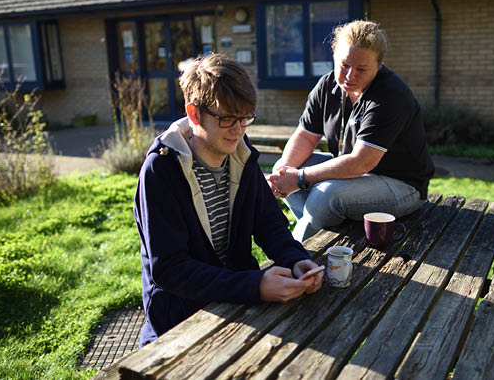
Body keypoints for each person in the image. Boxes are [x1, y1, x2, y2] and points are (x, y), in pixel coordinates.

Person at [134, 53, 323, 348]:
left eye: (245, 117)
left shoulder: (240, 153)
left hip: (239, 303)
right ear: (194, 114)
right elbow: (169, 269)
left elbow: (269, 224)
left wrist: (296, 259)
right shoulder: (161, 170)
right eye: (226, 119)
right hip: (179, 321)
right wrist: (255, 285)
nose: (238, 129)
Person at [267, 20, 434, 242]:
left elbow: (361, 163)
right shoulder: (326, 86)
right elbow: (306, 137)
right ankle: (318, 231)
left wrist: (298, 178)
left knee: (325, 195)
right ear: (334, 56)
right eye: (344, 65)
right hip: (358, 175)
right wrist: (285, 172)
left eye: (361, 69)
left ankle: (295, 258)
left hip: (402, 185)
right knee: (284, 166)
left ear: (379, 65)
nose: (349, 76)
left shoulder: (391, 95)